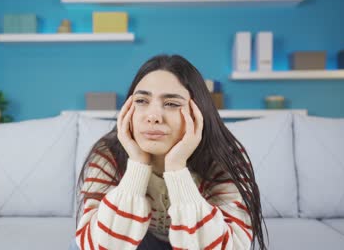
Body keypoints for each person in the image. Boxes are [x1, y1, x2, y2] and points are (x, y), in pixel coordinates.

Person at [70, 54, 267, 250]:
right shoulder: (108, 154)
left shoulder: (225, 157)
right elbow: (96, 246)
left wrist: (177, 168)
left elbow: (232, 247)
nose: (153, 116)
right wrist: (137, 165)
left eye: (171, 103)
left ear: (198, 112)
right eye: (141, 101)